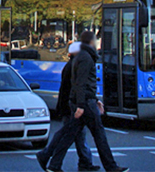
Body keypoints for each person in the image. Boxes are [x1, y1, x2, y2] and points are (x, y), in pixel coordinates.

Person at [46, 32, 128, 172]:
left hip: (84, 101)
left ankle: (53, 164)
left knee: (70, 134)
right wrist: (81, 105)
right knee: (99, 135)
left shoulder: (82, 56)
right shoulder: (86, 58)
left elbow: (80, 83)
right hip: (85, 103)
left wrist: (92, 100)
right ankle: (111, 166)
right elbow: (81, 83)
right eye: (95, 40)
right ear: (91, 42)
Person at [36, 42, 100, 172]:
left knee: (74, 135)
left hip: (71, 105)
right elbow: (76, 87)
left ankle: (82, 161)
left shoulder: (71, 65)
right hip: (73, 106)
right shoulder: (75, 66)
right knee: (68, 135)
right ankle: (50, 157)